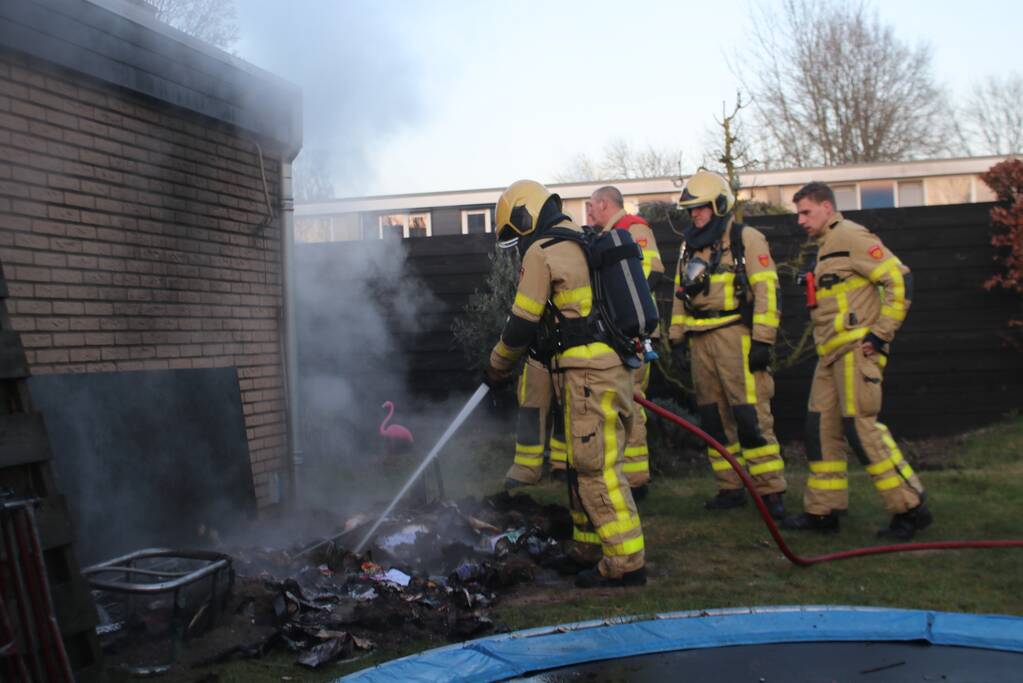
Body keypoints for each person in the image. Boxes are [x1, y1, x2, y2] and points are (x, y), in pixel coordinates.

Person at [485, 179, 646, 588]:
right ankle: (587, 547)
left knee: (595, 469)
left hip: (588, 375)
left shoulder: (542, 251)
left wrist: (496, 367)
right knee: (579, 465)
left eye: (515, 232)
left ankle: (626, 563)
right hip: (600, 370)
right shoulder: (581, 239)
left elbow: (521, 322)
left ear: (525, 217)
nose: (518, 243)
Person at [782, 182, 931, 540]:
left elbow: (900, 280)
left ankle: (910, 508)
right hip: (830, 355)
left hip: (855, 351)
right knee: (820, 429)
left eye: (806, 212)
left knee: (861, 428)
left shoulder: (851, 236)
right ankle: (823, 512)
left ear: (827, 207)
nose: (800, 220)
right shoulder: (826, 246)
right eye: (798, 214)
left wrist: (880, 335)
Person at [668, 171, 787, 519]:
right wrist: (676, 339)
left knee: (751, 415)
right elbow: (678, 294)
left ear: (720, 205)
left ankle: (770, 491)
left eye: (701, 208)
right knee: (713, 418)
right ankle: (730, 487)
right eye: (691, 210)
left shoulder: (746, 238)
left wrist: (763, 340)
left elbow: (767, 291)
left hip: (735, 336)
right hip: (699, 339)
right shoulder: (689, 247)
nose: (695, 215)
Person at [585, 186, 665, 499]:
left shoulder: (634, 228)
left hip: (635, 334)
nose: (588, 212)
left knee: (631, 402)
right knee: (621, 403)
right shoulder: (607, 235)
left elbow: (652, 270)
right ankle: (626, 476)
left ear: (604, 204)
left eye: (591, 206)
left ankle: (636, 481)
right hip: (619, 333)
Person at [504, 357, 567, 487]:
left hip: (571, 357)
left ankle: (563, 464)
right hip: (537, 358)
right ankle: (525, 468)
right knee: (531, 411)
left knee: (566, 409)